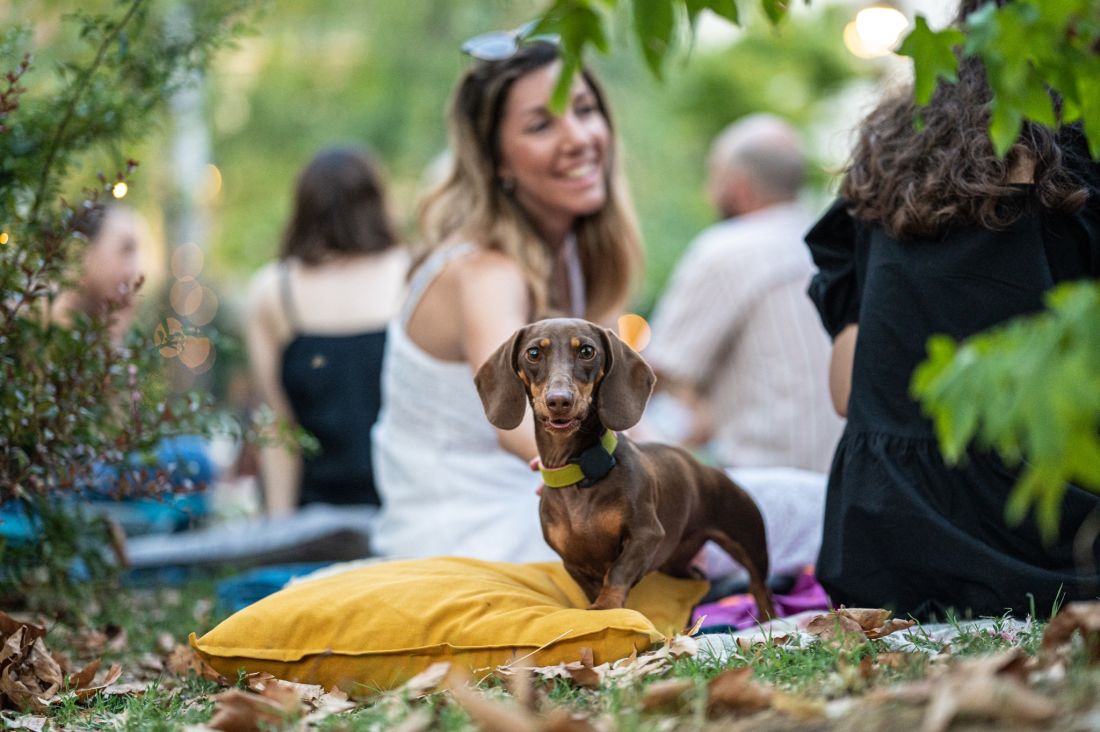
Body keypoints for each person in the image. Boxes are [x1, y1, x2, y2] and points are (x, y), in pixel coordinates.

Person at [805, 0, 1100, 619]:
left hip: (880, 543)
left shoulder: (889, 149)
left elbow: (845, 392)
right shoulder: (1085, 137)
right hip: (1049, 540)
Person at [371, 35, 643, 563]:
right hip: (469, 535)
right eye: (542, 125)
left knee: (762, 498)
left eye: (584, 110)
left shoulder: (573, 257)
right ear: (496, 159)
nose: (579, 138)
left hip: (526, 508)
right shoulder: (485, 270)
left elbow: (625, 413)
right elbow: (523, 419)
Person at [645, 114, 843, 472]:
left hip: (765, 487)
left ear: (737, 187)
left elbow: (653, 373)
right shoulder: (830, 245)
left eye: (712, 179)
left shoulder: (724, 250)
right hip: (843, 481)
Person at [246, 147, 408, 516]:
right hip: (402, 512)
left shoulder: (273, 290)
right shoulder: (413, 273)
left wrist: (280, 526)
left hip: (314, 514)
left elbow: (276, 426)